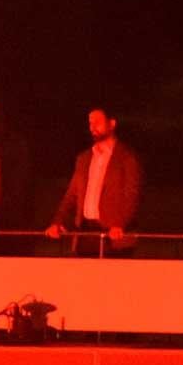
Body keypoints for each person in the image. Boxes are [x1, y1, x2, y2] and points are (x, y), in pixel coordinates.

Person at [45, 106, 142, 254]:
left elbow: (132, 195)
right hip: (85, 234)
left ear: (112, 124)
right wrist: (58, 222)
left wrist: (120, 224)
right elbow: (71, 196)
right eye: (90, 122)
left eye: (98, 121)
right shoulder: (84, 158)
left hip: (114, 237)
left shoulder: (127, 157)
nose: (93, 126)